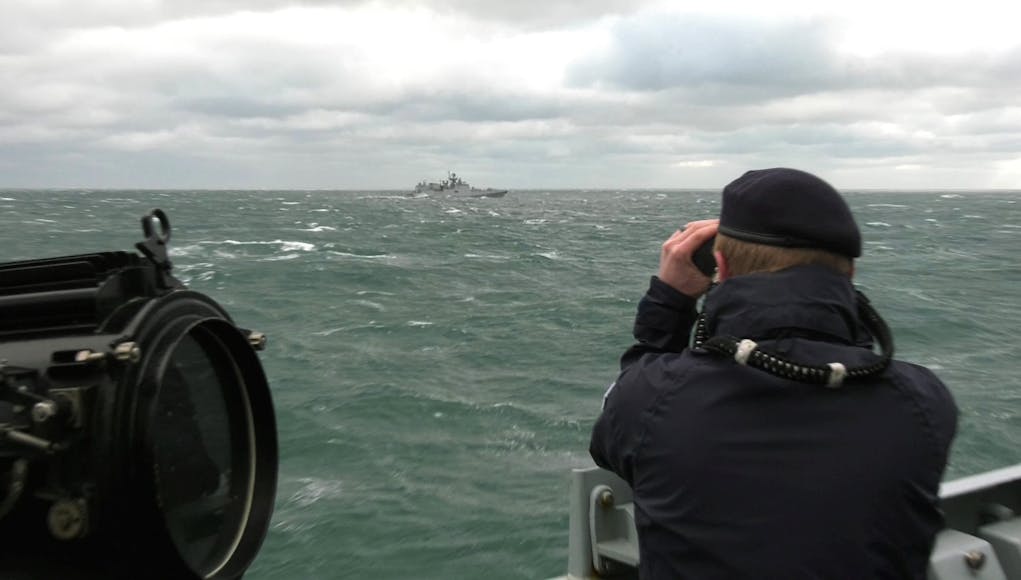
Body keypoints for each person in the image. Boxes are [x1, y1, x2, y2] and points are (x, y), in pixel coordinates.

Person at [589, 168, 957, 579]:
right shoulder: (925, 403)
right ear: (849, 275)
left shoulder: (652, 398)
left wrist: (669, 303)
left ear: (720, 267)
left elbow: (612, 430)